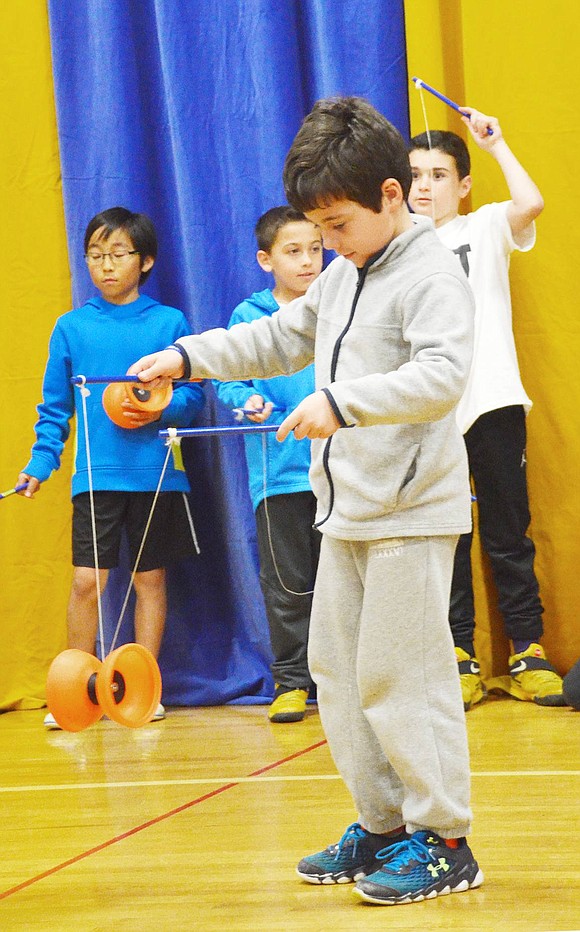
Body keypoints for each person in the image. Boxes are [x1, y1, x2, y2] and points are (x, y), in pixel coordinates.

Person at [128, 96, 483, 908]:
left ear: (392, 196)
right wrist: (186, 357)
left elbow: (442, 376)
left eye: (339, 223)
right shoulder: (350, 271)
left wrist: (344, 402)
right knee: (338, 671)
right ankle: (385, 824)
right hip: (348, 509)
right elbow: (279, 336)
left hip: (409, 512)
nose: (327, 242)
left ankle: (448, 839)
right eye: (317, 228)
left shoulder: (430, 272)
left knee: (406, 676)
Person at [17, 206, 204, 729]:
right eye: (96, 256)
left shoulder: (168, 323)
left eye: (118, 254)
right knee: (85, 582)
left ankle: (145, 685)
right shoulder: (71, 328)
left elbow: (193, 401)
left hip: (156, 475)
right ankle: (75, 689)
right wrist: (40, 461)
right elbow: (55, 408)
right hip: (96, 480)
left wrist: (155, 405)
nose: (105, 266)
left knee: (150, 580)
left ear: (144, 261)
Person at [408, 112, 566, 710]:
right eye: (415, 175)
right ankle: (458, 655)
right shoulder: (398, 250)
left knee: (508, 534)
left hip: (495, 403)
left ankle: (528, 651)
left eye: (440, 174)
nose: (426, 186)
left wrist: (496, 144)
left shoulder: (486, 225)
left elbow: (532, 201)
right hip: (431, 413)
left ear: (464, 184)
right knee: (445, 535)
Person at [214, 206, 323, 723]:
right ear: (266, 259)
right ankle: (291, 681)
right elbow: (229, 379)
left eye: (316, 249)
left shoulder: (339, 303)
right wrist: (244, 400)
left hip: (341, 473)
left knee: (342, 580)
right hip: (278, 475)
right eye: (293, 251)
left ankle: (345, 680)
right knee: (287, 582)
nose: (308, 261)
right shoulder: (249, 316)